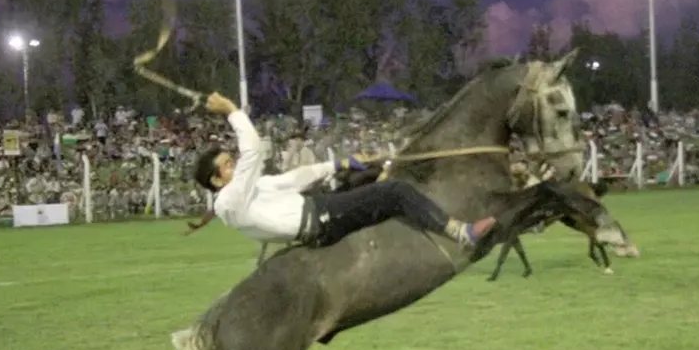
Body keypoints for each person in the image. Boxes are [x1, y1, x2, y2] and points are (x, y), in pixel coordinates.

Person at [193, 92, 496, 250]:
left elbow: (293, 179)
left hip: (319, 207)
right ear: (216, 179)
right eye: (227, 165)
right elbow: (255, 150)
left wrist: (340, 164)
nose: (234, 164)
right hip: (320, 217)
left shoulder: (245, 194)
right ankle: (459, 232)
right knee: (395, 191)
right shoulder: (229, 201)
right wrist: (232, 111)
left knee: (368, 173)